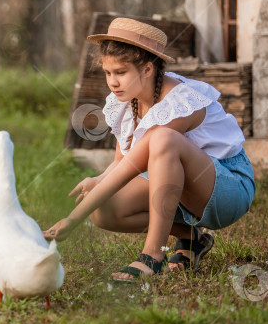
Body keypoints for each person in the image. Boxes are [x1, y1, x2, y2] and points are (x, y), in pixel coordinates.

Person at [43, 18, 256, 281]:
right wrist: (97, 181)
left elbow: (130, 169)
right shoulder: (127, 102)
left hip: (228, 188)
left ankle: (153, 255)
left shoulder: (179, 102)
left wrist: (72, 219)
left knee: (164, 139)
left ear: (146, 69)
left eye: (121, 72)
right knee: (103, 211)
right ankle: (191, 239)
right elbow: (122, 162)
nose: (113, 82)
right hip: (182, 192)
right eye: (108, 73)